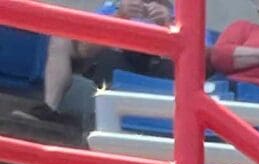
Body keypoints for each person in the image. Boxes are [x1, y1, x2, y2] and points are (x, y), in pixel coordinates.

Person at [13, 0, 172, 130]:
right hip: (113, 67)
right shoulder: (114, 6)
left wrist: (167, 25)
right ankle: (49, 108)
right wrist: (120, 17)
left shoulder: (180, 13)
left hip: (159, 76)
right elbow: (86, 49)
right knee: (62, 37)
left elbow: (192, 59)